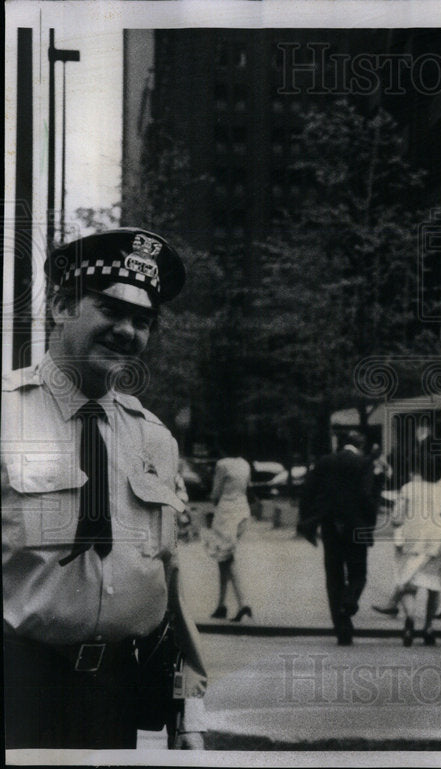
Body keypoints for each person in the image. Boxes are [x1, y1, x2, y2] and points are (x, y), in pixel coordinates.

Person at [2, 227, 206, 749]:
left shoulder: (154, 438)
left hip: (111, 699)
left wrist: (190, 709)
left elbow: (167, 584)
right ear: (63, 306)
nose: (127, 332)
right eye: (111, 311)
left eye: (143, 321)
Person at [373, 440, 441, 645]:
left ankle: (409, 622)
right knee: (434, 587)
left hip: (412, 542)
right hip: (437, 544)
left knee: (409, 585)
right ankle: (429, 627)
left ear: (419, 470)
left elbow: (396, 518)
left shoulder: (408, 489)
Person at [297, 429, 377, 645]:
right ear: (360, 445)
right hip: (355, 525)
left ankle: (342, 629)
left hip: (330, 524)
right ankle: (350, 600)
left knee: (334, 576)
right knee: (358, 572)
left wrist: (308, 521)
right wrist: (370, 522)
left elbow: (308, 491)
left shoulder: (325, 462)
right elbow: (366, 495)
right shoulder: (364, 463)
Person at [202, 441, 253, 622]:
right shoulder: (245, 464)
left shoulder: (222, 465)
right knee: (224, 559)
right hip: (243, 512)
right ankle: (221, 605)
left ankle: (243, 603)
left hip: (226, 514)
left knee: (226, 558)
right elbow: (248, 487)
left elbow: (216, 493)